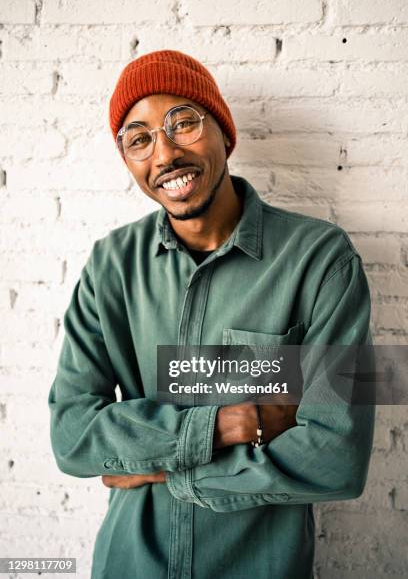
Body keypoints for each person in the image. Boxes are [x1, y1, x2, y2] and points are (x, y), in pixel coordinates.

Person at [48, 49, 375, 579]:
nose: (165, 154)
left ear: (225, 132)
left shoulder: (320, 261)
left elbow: (337, 456)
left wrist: (158, 468)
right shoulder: (111, 265)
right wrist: (229, 424)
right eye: (139, 138)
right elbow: (71, 436)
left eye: (183, 122)